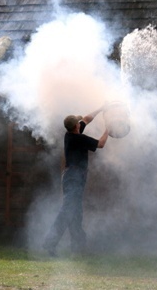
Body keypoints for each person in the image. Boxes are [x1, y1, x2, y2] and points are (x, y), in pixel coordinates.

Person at [42, 106, 109, 256]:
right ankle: (50, 243)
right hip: (74, 178)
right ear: (76, 126)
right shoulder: (78, 138)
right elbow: (101, 144)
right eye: (79, 123)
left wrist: (101, 108)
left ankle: (78, 248)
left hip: (73, 177)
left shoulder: (71, 134)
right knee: (67, 212)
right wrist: (108, 129)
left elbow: (86, 119)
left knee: (76, 213)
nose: (81, 123)